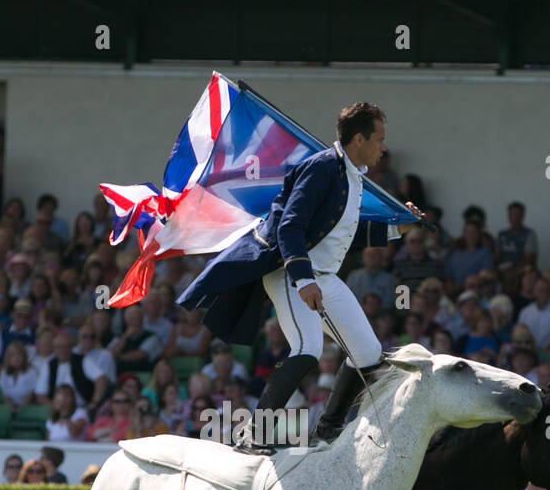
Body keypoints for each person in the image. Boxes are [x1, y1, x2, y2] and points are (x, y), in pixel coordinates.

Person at [178, 102, 427, 452]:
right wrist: (303, 279)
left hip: (323, 277)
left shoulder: (353, 174)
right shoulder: (321, 169)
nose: (383, 147)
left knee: (369, 354)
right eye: (379, 139)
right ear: (358, 139)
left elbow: (341, 232)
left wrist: (396, 228)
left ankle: (327, 431)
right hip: (290, 273)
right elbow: (290, 226)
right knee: (308, 349)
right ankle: (253, 436)